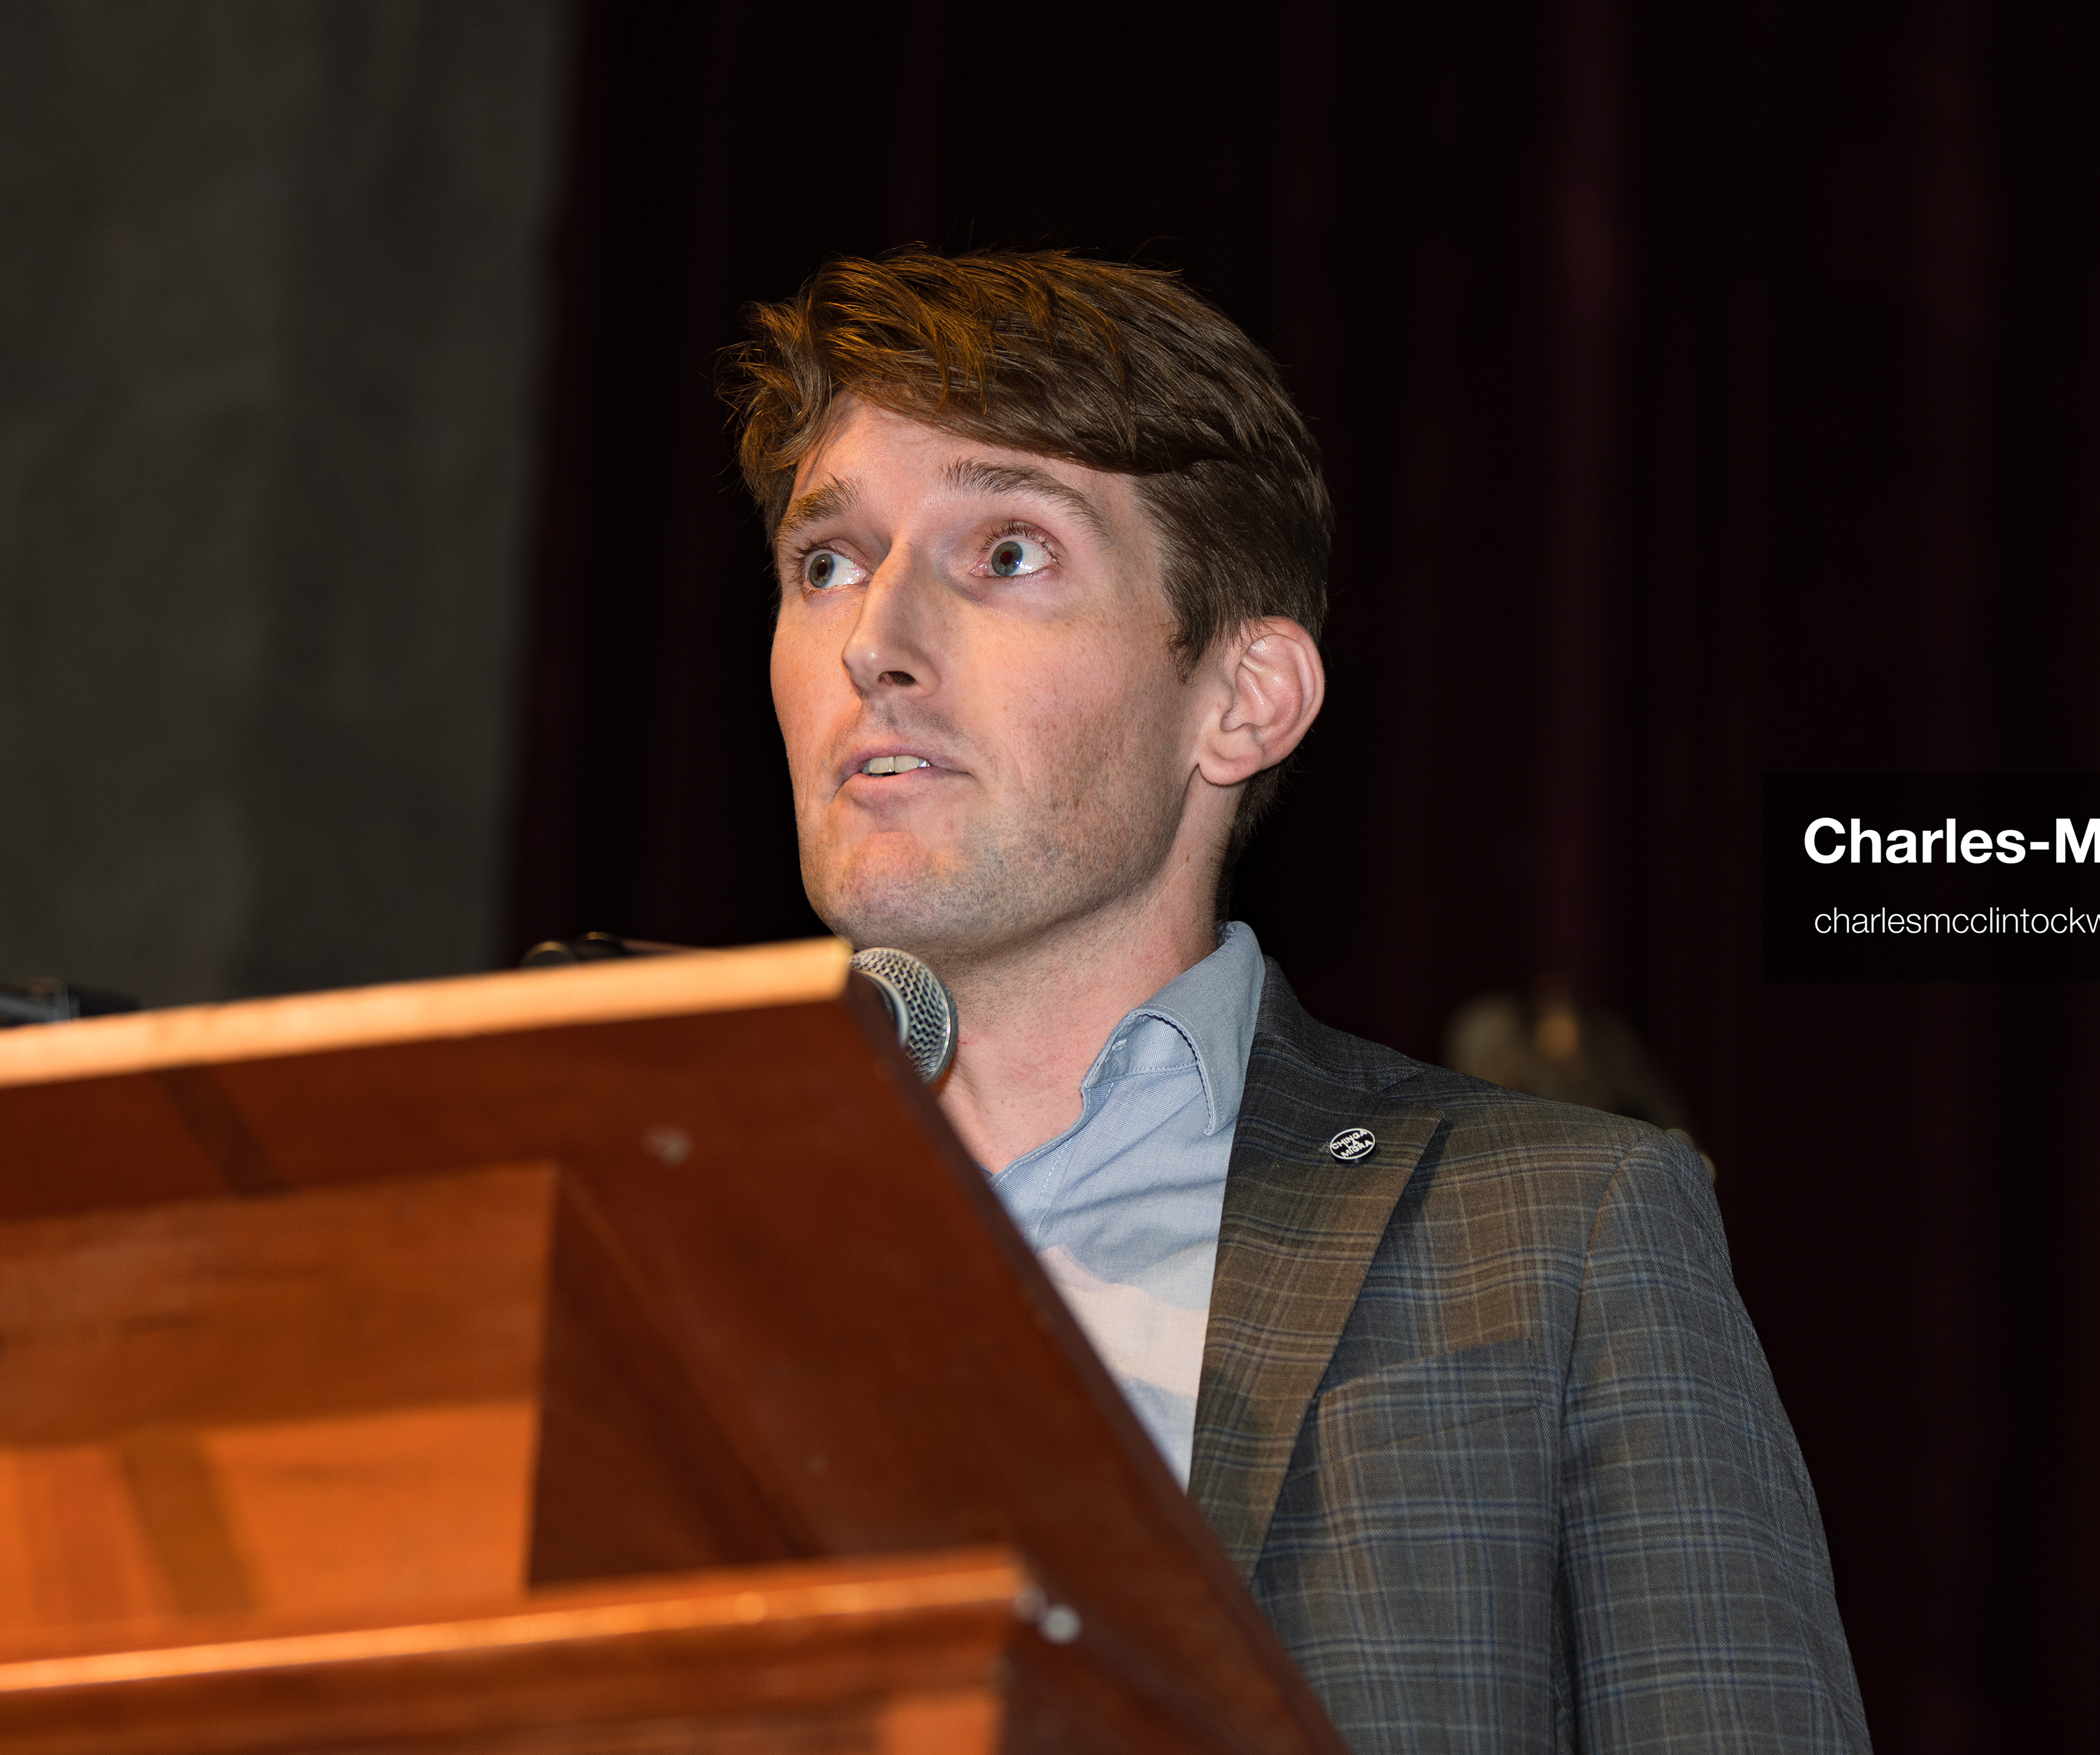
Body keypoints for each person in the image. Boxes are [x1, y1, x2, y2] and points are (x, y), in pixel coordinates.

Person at [722, 247, 1870, 1753]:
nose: (874, 639)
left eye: (1007, 552)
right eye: (829, 562)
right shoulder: (652, 1224)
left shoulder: (1553, 1238)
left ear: (1243, 697)